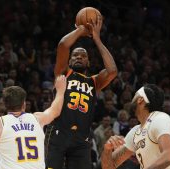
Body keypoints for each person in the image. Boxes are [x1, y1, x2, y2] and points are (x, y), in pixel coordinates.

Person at [45, 15, 117, 169]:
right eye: (75, 55)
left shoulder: (94, 81)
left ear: (88, 62)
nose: (79, 57)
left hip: (81, 139)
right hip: (58, 132)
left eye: (83, 56)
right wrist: (80, 30)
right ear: (69, 61)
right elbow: (63, 45)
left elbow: (112, 71)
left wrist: (97, 39)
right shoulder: (63, 73)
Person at [0, 75, 66, 169]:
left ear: (5, 104)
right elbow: (55, 110)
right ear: (24, 104)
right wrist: (61, 91)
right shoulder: (37, 119)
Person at [101, 84, 170, 169]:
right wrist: (107, 149)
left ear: (140, 99)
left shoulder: (160, 118)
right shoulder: (135, 131)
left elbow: (169, 156)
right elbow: (108, 167)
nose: (132, 99)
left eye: (135, 95)